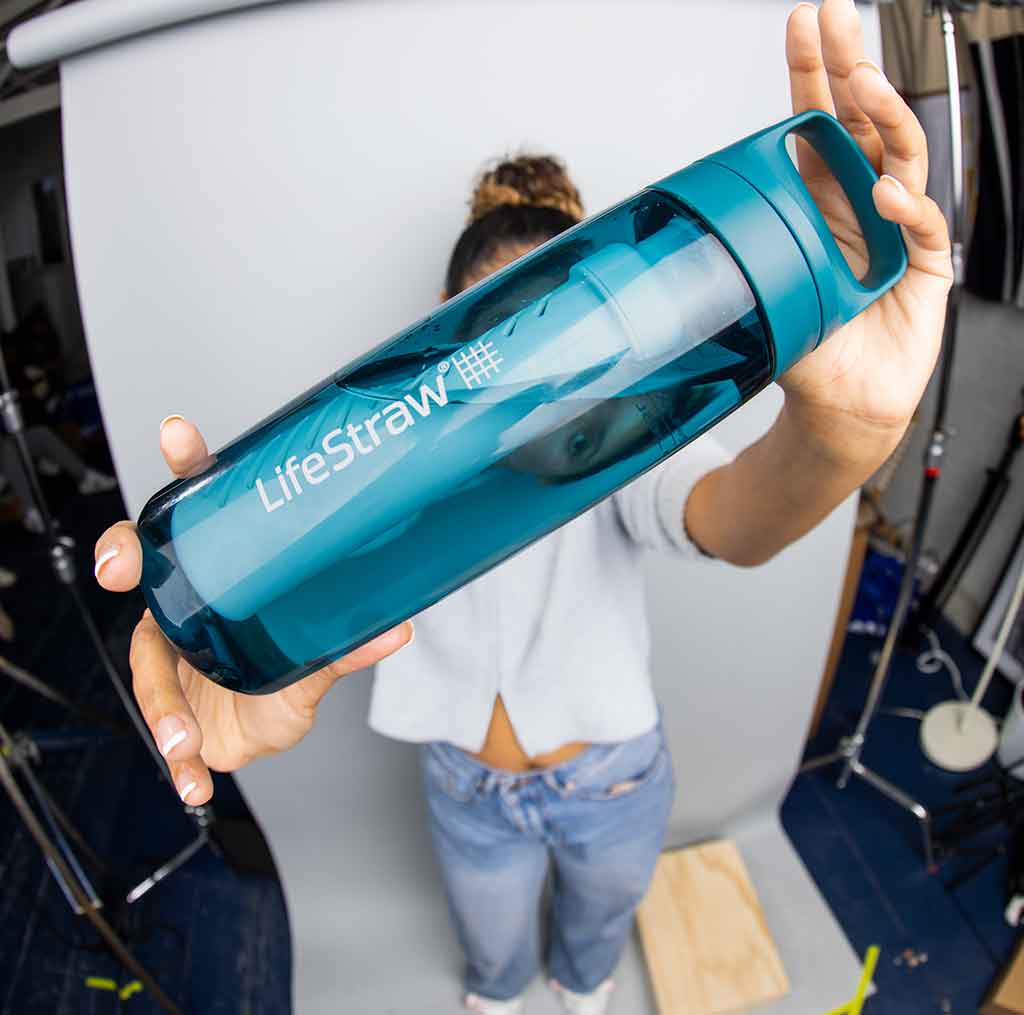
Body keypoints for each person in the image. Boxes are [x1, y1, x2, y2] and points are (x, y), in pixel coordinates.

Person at [92, 3, 953, 1013]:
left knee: (589, 963)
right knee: (493, 972)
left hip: (614, 784)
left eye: (580, 349)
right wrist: (241, 576)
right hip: (466, 793)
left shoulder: (635, 442)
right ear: (447, 339)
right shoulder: (362, 470)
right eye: (511, 348)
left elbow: (734, 518)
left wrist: (843, 438)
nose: (546, 393)